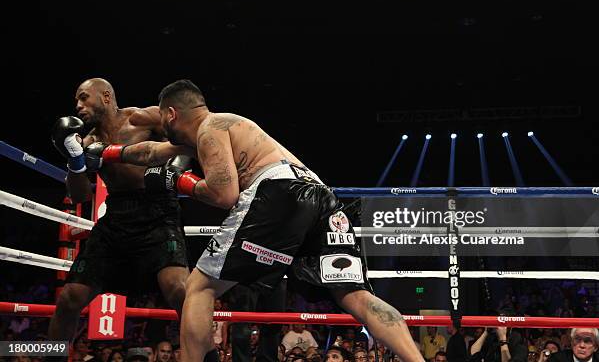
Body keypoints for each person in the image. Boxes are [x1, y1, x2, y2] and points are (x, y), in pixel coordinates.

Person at [86, 79, 424, 362]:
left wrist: (181, 182)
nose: (163, 130)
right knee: (357, 297)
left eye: (163, 121)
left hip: (278, 192)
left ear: (171, 114)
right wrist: (107, 152)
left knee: (199, 288)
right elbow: (152, 152)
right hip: (320, 197)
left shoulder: (210, 128)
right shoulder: (221, 126)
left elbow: (224, 194)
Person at [48, 78, 190, 343]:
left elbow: (186, 140)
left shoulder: (141, 119)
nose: (78, 106)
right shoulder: (87, 140)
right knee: (69, 299)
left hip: (157, 212)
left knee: (180, 291)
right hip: (116, 218)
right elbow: (80, 195)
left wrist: (174, 169)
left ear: (105, 97)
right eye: (76, 101)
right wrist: (75, 161)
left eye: (83, 98)